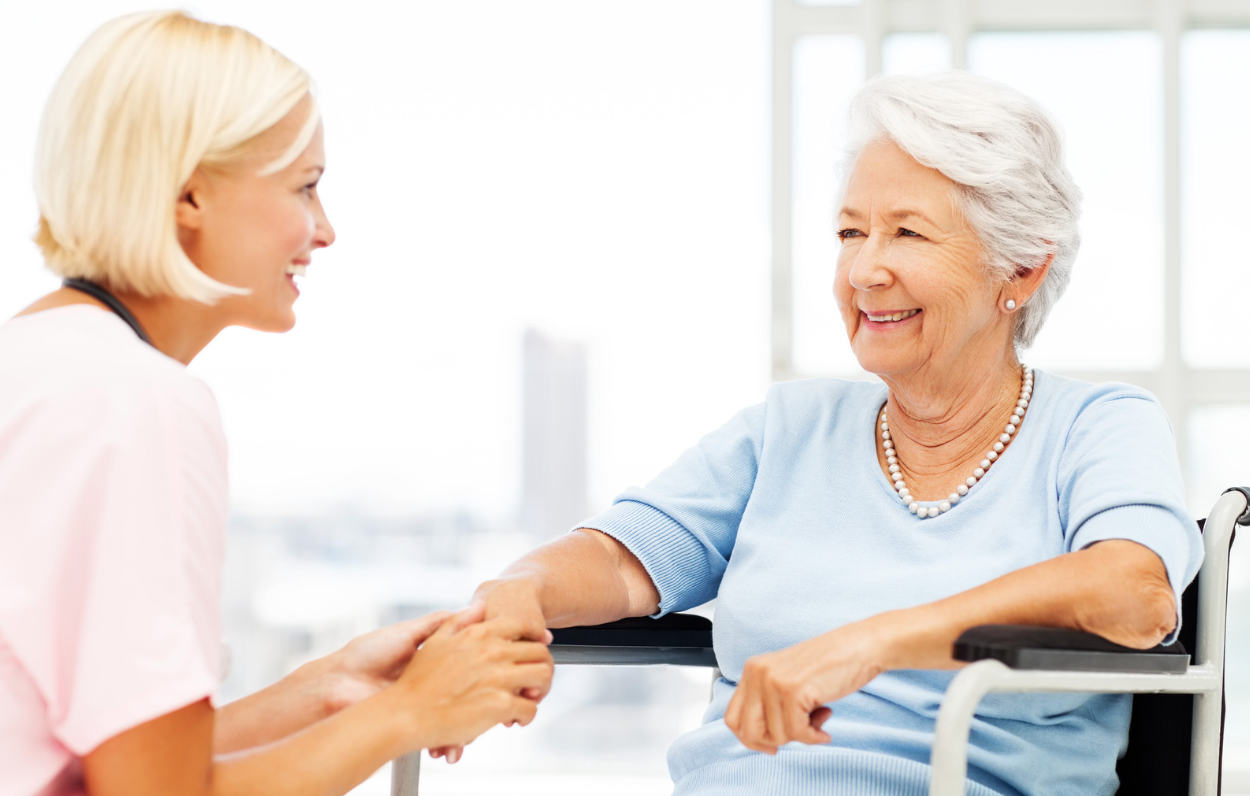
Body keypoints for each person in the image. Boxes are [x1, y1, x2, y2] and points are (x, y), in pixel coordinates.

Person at [470, 71, 1203, 796]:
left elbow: (1133, 595)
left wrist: (872, 643)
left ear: (1021, 268)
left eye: (907, 233)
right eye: (850, 232)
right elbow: (623, 560)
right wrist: (517, 590)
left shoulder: (1097, 426)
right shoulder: (788, 431)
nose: (863, 269)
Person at [0, 11, 552, 796]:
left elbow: (106, 762)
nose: (324, 231)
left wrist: (321, 690)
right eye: (305, 186)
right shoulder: (141, 404)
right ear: (189, 192)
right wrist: (411, 716)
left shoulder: (37, 359)